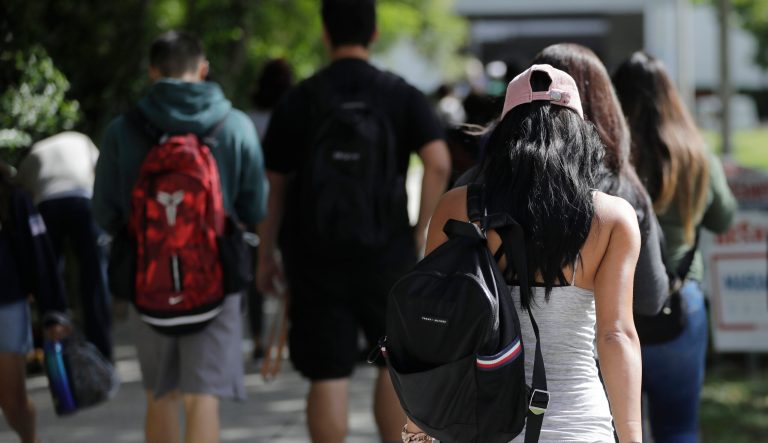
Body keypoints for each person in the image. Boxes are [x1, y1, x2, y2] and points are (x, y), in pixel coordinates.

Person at [403, 64, 642, 443]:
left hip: (479, 424)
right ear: (579, 134)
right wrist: (631, 435)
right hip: (580, 425)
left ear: (504, 135)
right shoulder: (613, 219)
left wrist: (419, 424)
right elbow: (616, 335)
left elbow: (434, 324)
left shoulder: (457, 208)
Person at [256, 0, 451, 441]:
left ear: (325, 34)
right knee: (394, 364)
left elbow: (274, 183)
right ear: (375, 33)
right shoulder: (400, 94)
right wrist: (420, 234)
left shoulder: (301, 98)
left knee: (327, 374)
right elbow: (437, 162)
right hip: (388, 254)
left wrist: (267, 254)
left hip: (314, 254)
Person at [93, 30, 268, 443]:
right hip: (217, 279)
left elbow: (103, 212)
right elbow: (256, 207)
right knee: (202, 397)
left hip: (147, 276)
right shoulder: (235, 124)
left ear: (154, 71)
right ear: (203, 70)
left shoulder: (123, 130)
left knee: (160, 395)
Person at [613, 51, 737, 443]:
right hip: (682, 304)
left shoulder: (611, 157)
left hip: (615, 308)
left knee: (615, 428)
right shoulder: (696, 155)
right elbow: (723, 219)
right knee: (679, 428)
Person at [531, 43, 668, 319]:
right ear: (602, 101)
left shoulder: (479, 185)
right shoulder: (620, 194)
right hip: (587, 354)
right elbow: (649, 297)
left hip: (492, 354)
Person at [16, 131, 113, 361]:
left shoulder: (35, 151)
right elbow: (102, 173)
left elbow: (20, 192)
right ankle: (102, 354)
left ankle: (56, 350)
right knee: (94, 277)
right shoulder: (81, 139)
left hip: (47, 204)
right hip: (83, 199)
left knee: (50, 276)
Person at [0, 160, 69, 443]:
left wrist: (54, 311)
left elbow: (38, 254)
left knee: (12, 402)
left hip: (6, 306)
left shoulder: (12, 195)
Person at [246, 58, 294, 360]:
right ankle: (287, 331)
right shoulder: (293, 115)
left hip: (255, 201)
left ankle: (258, 337)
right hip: (290, 201)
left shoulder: (250, 119)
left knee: (257, 270)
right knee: (291, 268)